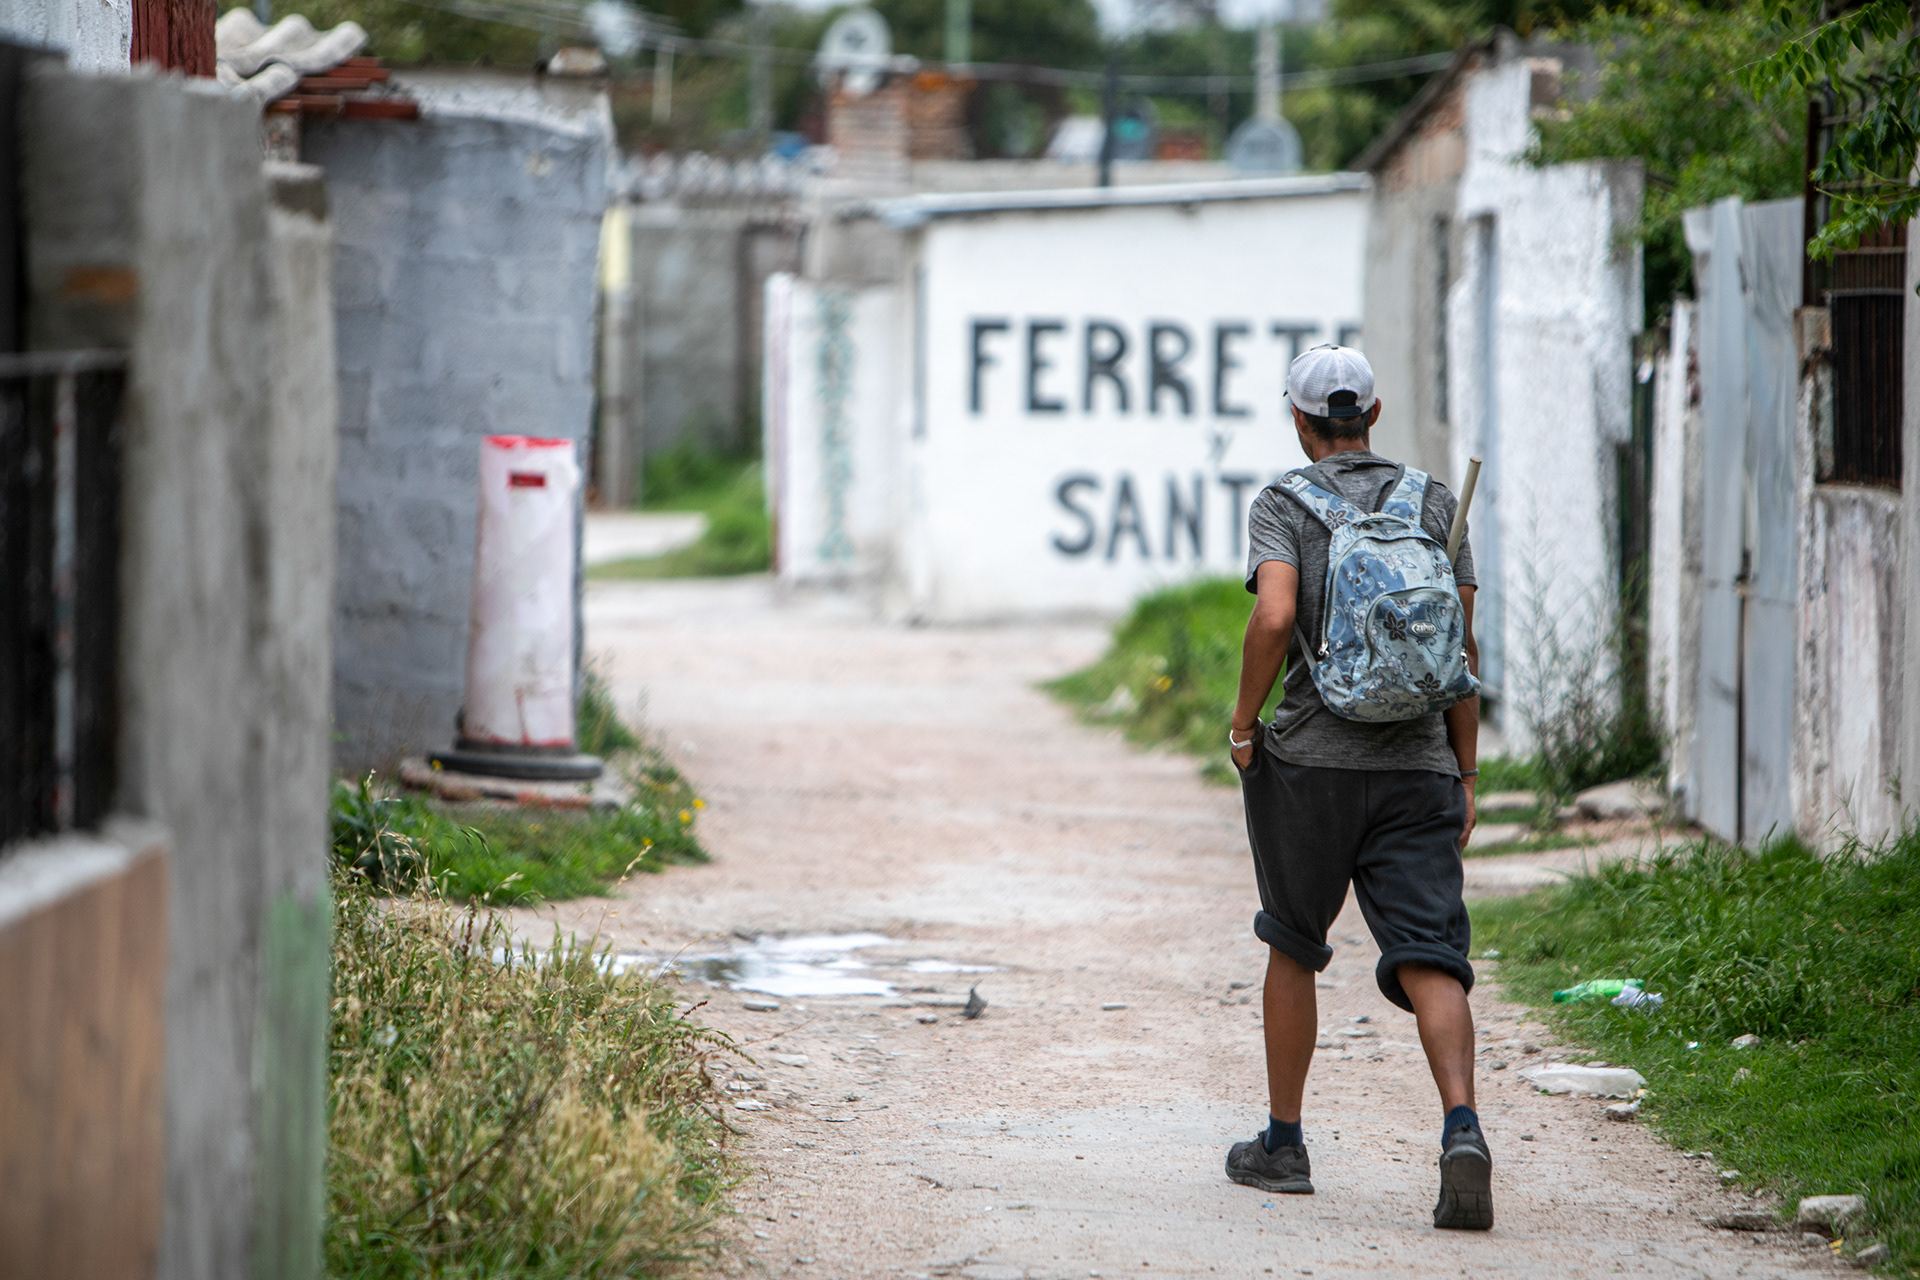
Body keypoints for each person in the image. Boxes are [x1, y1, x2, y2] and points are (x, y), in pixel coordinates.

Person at [1221, 344, 1492, 1231]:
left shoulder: (1284, 504)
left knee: (1293, 942)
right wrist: (1465, 771)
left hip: (1311, 764)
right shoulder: (1434, 501)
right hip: (1418, 767)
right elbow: (1461, 650)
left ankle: (1284, 1145)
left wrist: (1245, 725)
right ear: (1372, 415)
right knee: (1430, 955)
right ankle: (1462, 1128)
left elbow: (1273, 614)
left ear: (1300, 421)